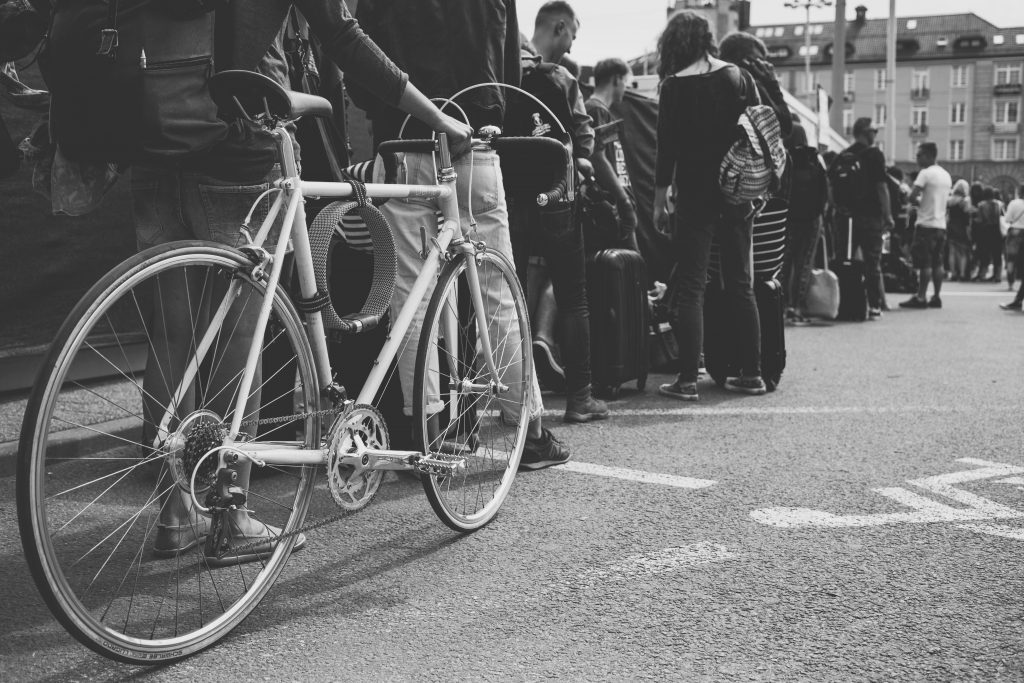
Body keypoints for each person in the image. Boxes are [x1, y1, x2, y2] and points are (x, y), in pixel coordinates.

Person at [110, 0, 473, 562]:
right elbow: (344, 37)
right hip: (238, 139)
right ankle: (230, 513)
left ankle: (176, 511)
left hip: (154, 134)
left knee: (172, 328)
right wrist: (436, 117)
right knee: (239, 335)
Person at [350, 0, 571, 470]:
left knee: (412, 298)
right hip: (476, 139)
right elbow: (510, 72)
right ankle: (528, 431)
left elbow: (361, 79)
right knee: (499, 294)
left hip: (403, 140)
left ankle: (425, 435)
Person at [652, 10, 766, 400]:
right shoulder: (736, 75)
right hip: (736, 191)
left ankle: (687, 380)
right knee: (740, 283)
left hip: (695, 196)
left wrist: (658, 199)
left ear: (674, 42)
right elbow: (756, 130)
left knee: (692, 288)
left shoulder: (673, 87)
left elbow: (666, 150)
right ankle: (752, 373)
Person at [509, 2, 609, 424]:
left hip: (511, 196)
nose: (572, 44)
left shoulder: (503, 72)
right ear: (561, 27)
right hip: (558, 198)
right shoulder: (562, 78)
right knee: (573, 298)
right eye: (572, 35)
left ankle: (513, 402)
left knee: (509, 297)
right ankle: (580, 399)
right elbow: (584, 142)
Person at [835, 118, 894, 318]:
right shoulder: (874, 154)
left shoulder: (845, 155)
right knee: (872, 262)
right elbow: (881, 186)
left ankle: (846, 302)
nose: (875, 134)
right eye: (873, 130)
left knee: (846, 259)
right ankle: (874, 306)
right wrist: (888, 215)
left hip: (847, 217)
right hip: (871, 216)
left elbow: (832, 184)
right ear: (863, 132)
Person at [585, 56, 639, 251]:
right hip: (610, 207)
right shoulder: (596, 110)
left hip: (613, 205)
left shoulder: (596, 110)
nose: (626, 87)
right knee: (630, 269)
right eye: (625, 81)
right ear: (616, 79)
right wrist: (624, 201)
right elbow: (597, 157)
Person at [779, 124, 828, 323]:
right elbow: (825, 192)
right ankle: (796, 307)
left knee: (784, 262)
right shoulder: (816, 160)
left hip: (788, 218)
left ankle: (779, 306)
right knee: (804, 263)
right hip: (812, 219)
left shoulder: (784, 159)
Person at [899, 142, 952, 309]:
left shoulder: (925, 173)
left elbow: (912, 197)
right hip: (941, 225)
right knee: (938, 263)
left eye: (919, 155)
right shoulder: (946, 175)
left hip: (925, 225)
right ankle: (936, 296)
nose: (917, 158)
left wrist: (916, 199)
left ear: (929, 155)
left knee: (925, 263)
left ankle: (921, 297)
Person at [1000, 184, 1024, 311]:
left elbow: (1008, 218)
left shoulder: (1015, 203)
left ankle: (1010, 282)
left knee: (1011, 260)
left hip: (1015, 232)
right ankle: (1018, 299)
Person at [974, 187, 1004, 283]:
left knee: (984, 253)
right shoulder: (1000, 204)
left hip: (985, 232)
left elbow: (979, 219)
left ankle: (982, 274)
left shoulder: (981, 205)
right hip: (997, 231)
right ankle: (997, 275)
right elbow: (1003, 217)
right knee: (997, 254)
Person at [946, 179, 973, 282]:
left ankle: (953, 273)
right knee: (962, 252)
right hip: (962, 228)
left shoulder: (950, 200)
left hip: (951, 227)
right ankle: (962, 273)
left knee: (952, 252)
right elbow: (967, 217)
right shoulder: (965, 201)